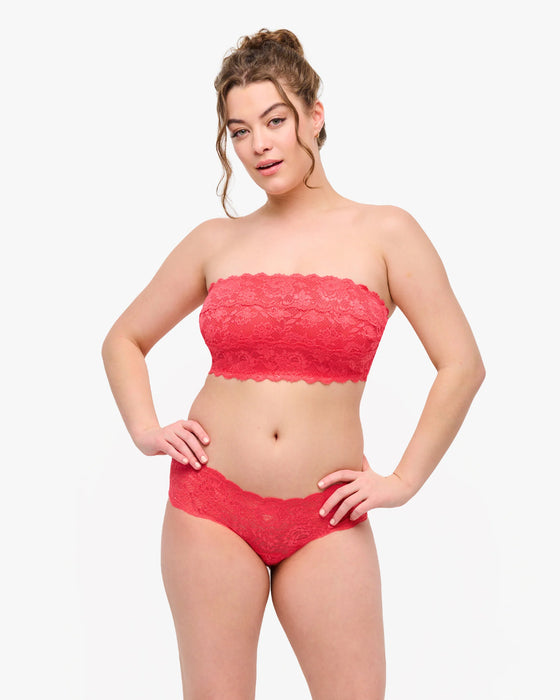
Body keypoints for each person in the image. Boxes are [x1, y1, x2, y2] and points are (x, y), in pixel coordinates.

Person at [101, 27, 485, 700]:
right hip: (209, 507)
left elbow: (461, 364)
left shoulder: (387, 232)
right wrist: (144, 429)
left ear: (315, 115)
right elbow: (123, 339)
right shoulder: (214, 241)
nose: (259, 144)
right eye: (240, 130)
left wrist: (403, 480)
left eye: (275, 120)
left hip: (326, 515)